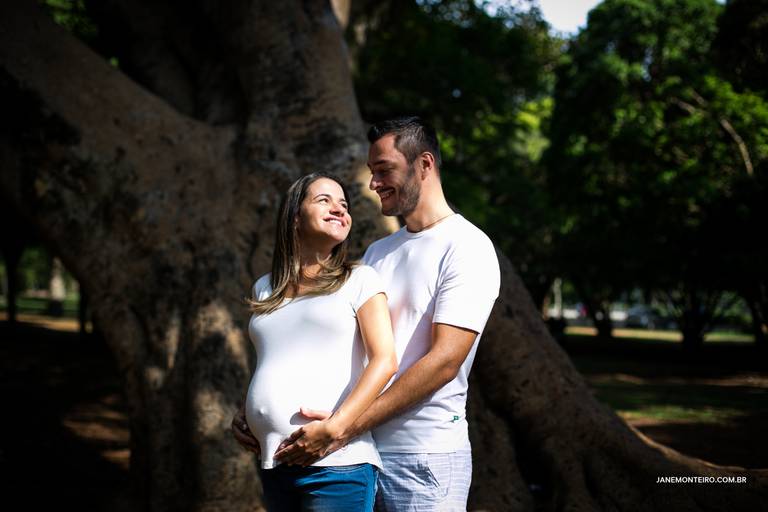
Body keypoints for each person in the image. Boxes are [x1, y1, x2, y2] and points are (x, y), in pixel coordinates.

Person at [262, 116, 501, 511]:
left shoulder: (467, 246)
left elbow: (443, 362)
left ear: (424, 165)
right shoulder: (377, 253)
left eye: (384, 170)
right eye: (373, 172)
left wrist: (343, 426)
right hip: (360, 456)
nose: (373, 184)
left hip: (424, 457)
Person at [232, 172, 398, 511]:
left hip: (338, 465)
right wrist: (248, 411)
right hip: (274, 464)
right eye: (324, 200)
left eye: (344, 204)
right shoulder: (265, 288)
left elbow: (385, 361)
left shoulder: (360, 280)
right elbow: (275, 362)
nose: (339, 209)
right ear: (295, 217)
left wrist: (335, 428)